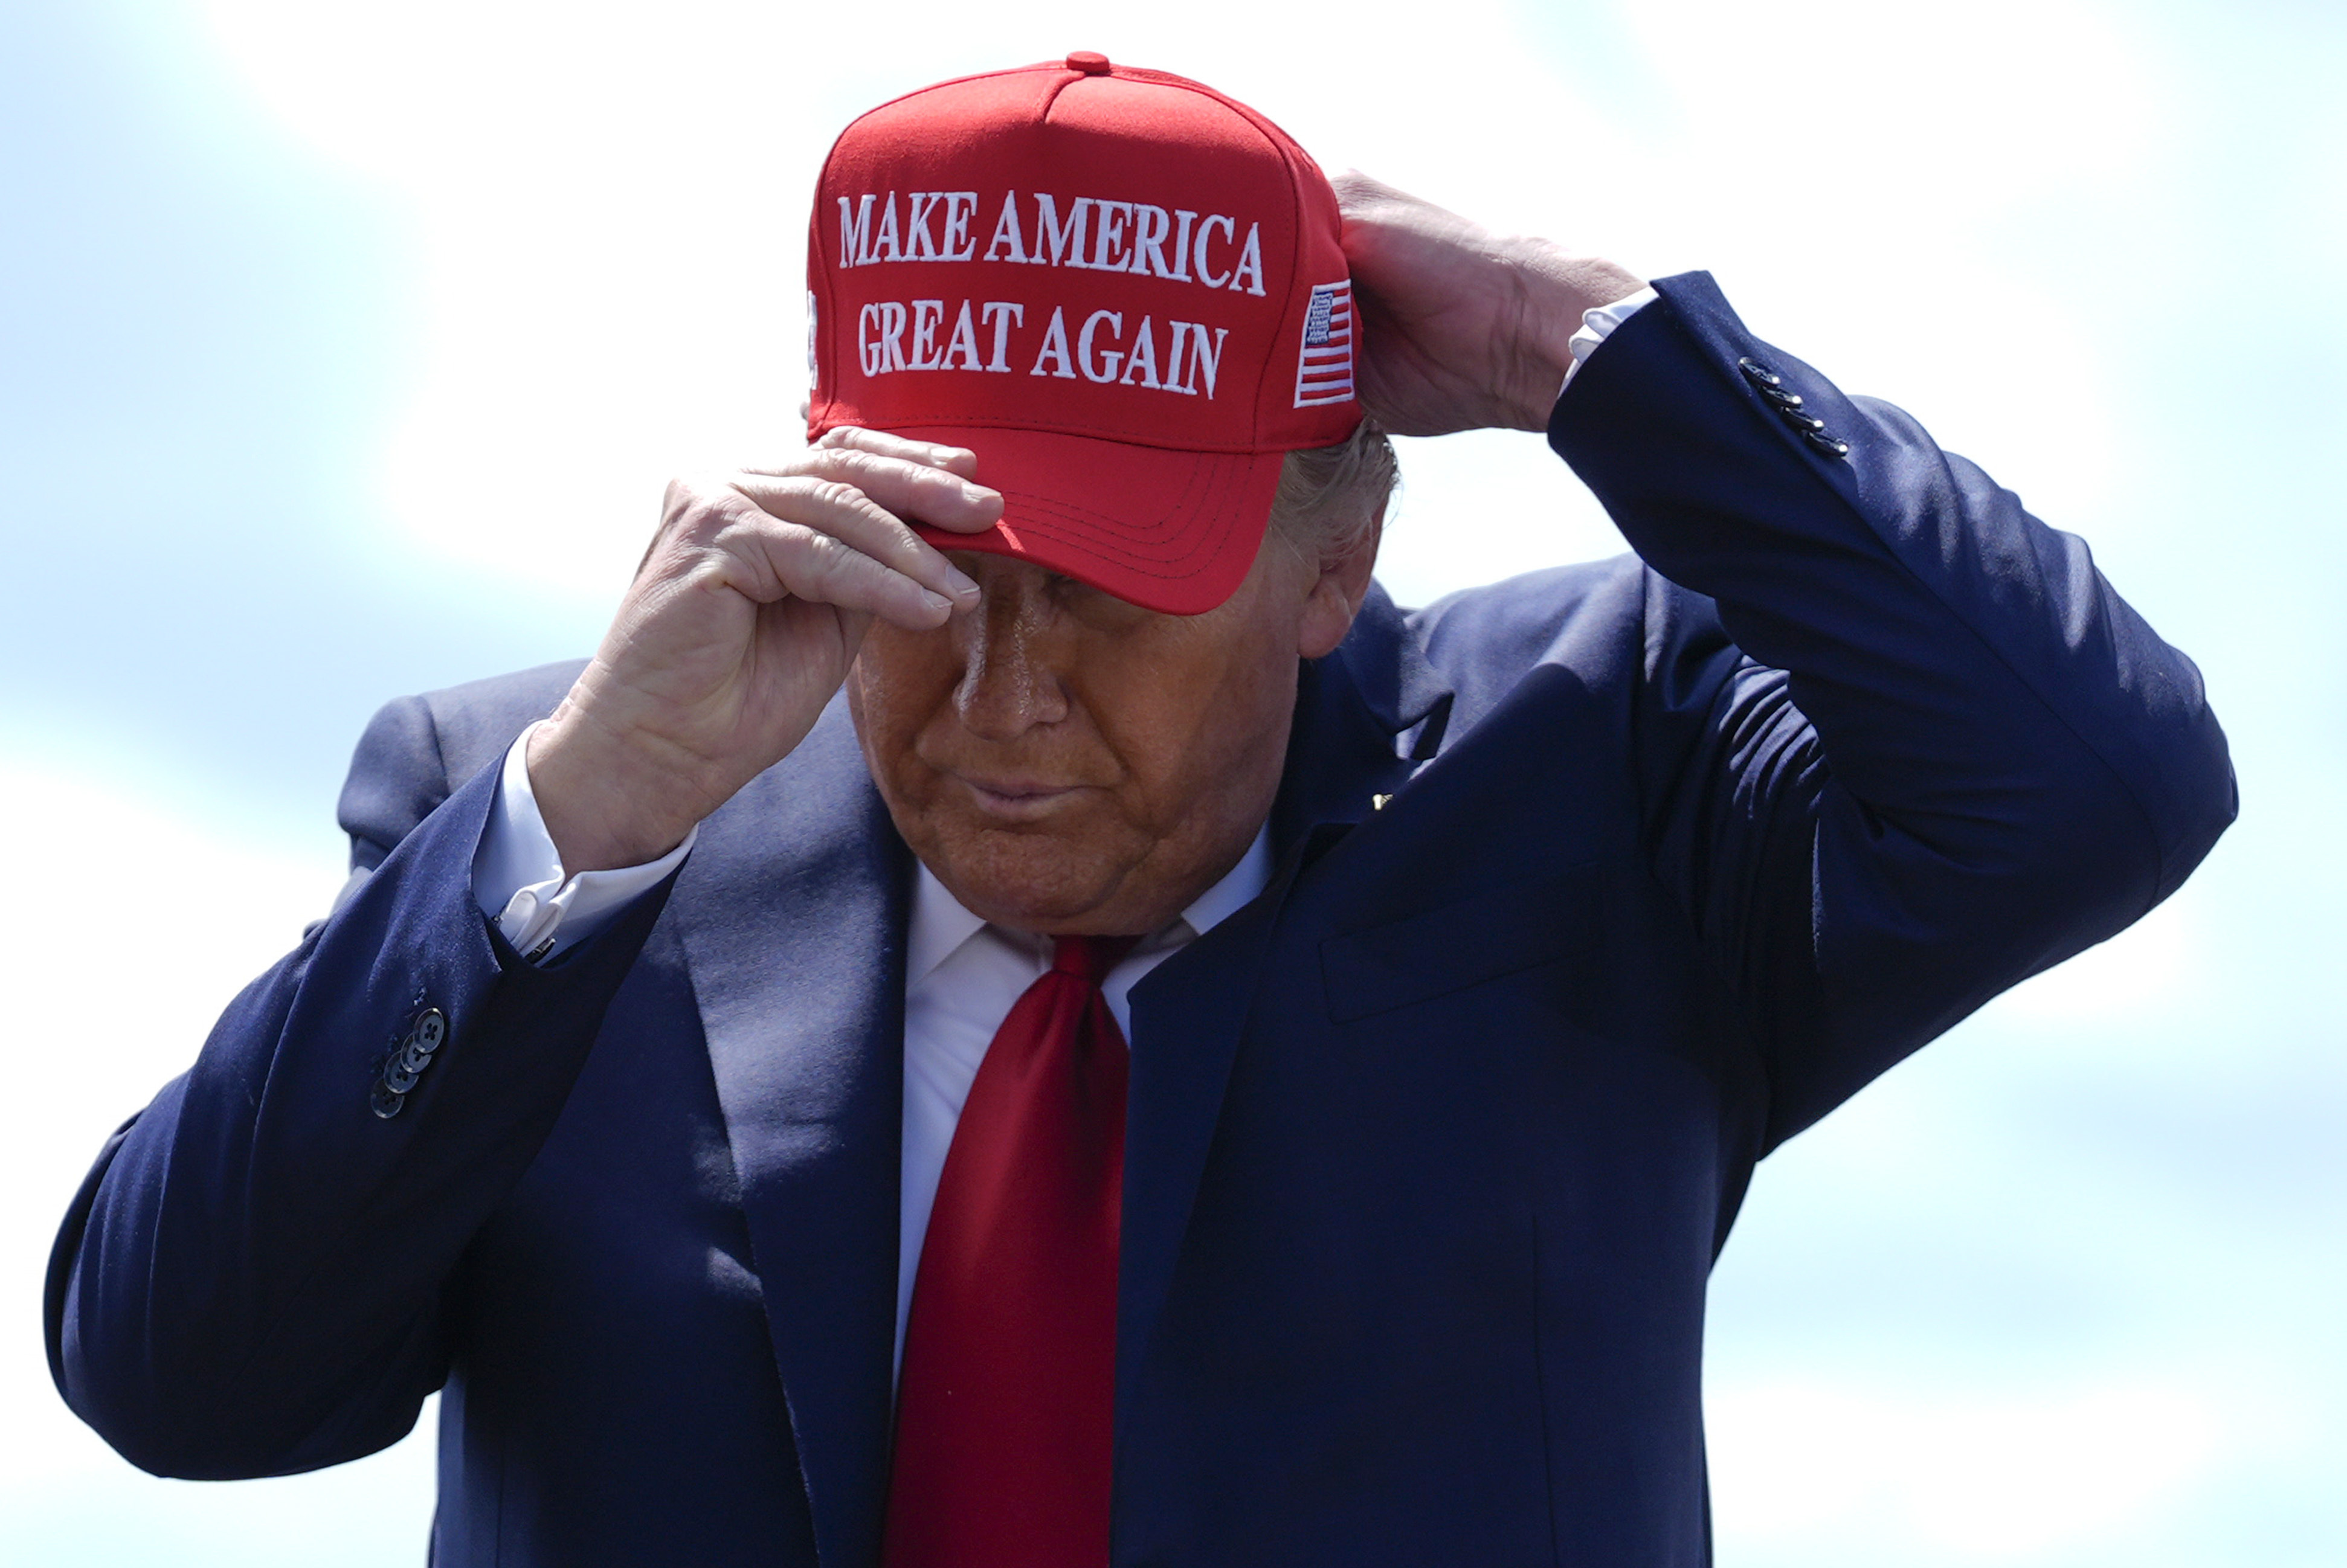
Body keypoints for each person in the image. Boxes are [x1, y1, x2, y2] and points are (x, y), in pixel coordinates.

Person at [45, 53, 2233, 1568]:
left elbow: (2098, 783)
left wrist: (1590, 341)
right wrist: (575, 825)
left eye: (1110, 601)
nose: (1006, 699)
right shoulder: (549, 810)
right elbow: (181, 1376)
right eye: (932, 579)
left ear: (1332, 561)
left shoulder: (1604, 769)